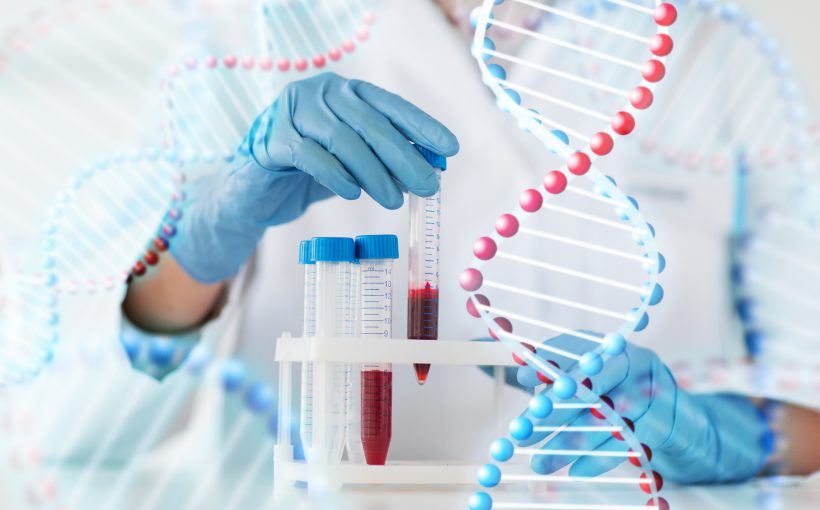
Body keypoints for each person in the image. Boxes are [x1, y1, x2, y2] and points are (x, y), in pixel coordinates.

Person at [120, 0, 820, 482]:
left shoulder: (715, 50)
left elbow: (813, 405)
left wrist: (723, 436)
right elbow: (81, 416)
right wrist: (198, 244)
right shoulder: (247, 31)